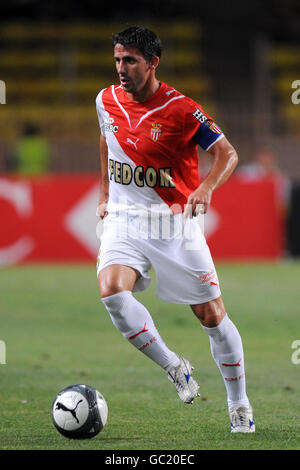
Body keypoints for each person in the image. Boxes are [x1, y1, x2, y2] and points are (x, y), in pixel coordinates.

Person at [95, 26, 255, 433]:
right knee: (112, 291)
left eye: (129, 60)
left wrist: (206, 186)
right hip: (125, 219)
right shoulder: (106, 99)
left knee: (211, 315)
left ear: (152, 63)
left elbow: (227, 154)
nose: (121, 68)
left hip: (172, 224)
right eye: (117, 59)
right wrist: (104, 194)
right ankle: (175, 366)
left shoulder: (181, 109)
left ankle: (239, 404)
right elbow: (106, 140)